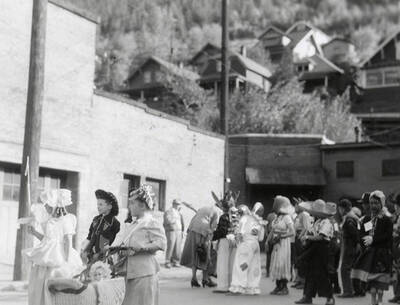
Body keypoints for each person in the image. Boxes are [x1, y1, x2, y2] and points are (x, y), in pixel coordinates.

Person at [23, 189, 84, 305]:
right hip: (47, 256)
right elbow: (47, 240)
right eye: (45, 205)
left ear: (56, 205)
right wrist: (35, 232)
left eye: (47, 205)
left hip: (60, 257)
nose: (45, 208)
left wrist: (67, 261)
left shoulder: (66, 220)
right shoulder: (50, 221)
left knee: (55, 283)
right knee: (41, 285)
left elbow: (68, 241)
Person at [117, 184, 166, 305]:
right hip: (129, 272)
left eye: (132, 203)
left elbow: (161, 243)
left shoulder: (151, 223)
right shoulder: (132, 224)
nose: (129, 206)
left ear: (143, 206)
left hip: (144, 273)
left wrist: (142, 248)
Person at [351, 190, 393, 305]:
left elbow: (388, 236)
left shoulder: (386, 220)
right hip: (370, 254)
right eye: (372, 203)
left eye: (376, 203)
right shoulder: (367, 219)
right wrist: (365, 241)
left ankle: (379, 300)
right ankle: (373, 301)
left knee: (380, 281)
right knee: (372, 282)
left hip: (382, 254)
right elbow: (362, 234)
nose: (373, 206)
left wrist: (373, 240)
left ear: (382, 204)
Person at [295, 199, 336, 305]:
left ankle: (330, 297)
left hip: (322, 249)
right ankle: (307, 296)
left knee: (321, 273)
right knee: (310, 273)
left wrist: (308, 237)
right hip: (314, 248)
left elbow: (321, 237)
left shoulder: (326, 222)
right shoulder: (317, 221)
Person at [180, 202, 220, 288]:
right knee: (206, 254)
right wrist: (209, 239)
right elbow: (213, 227)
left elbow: (195, 215)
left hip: (192, 229)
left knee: (196, 254)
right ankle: (205, 279)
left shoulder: (204, 207)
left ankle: (194, 278)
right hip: (203, 232)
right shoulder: (217, 212)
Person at [228, 202, 264, 295]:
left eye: (238, 213)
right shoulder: (258, 221)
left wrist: (234, 239)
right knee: (253, 266)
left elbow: (240, 234)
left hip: (246, 245)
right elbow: (261, 238)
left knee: (241, 265)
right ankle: (252, 288)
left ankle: (238, 287)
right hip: (255, 245)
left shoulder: (244, 219)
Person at [81, 189, 120, 264]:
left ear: (109, 206)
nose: (98, 207)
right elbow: (90, 237)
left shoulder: (113, 223)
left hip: (102, 257)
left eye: (101, 204)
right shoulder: (96, 220)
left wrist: (98, 254)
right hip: (90, 256)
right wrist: (85, 251)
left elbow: (106, 243)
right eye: (97, 204)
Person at [212, 191, 238, 293]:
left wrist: (213, 235)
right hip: (235, 240)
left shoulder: (224, 216)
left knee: (222, 263)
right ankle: (232, 284)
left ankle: (223, 286)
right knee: (232, 263)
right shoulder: (237, 214)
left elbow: (222, 231)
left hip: (225, 240)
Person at [269, 196, 295, 295]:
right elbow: (272, 230)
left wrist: (282, 236)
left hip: (283, 244)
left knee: (282, 263)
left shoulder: (287, 217)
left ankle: (284, 287)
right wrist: (268, 241)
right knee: (276, 263)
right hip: (276, 244)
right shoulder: (277, 217)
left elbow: (293, 232)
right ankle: (278, 286)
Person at [337, 198, 359, 298]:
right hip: (351, 246)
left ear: (343, 208)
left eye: (339, 209)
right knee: (349, 268)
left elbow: (354, 234)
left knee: (344, 269)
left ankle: (348, 291)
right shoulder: (352, 217)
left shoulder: (349, 219)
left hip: (350, 247)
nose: (339, 211)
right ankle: (353, 290)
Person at [292, 200, 313, 289]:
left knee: (302, 259)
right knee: (297, 259)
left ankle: (303, 281)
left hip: (301, 237)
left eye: (297, 205)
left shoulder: (304, 214)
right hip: (297, 237)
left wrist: (300, 237)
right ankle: (299, 280)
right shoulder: (298, 215)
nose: (295, 207)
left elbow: (306, 227)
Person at [163, 199, 185, 268]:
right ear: (174, 204)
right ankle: (167, 261)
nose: (178, 206)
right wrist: (174, 219)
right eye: (177, 204)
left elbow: (182, 222)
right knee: (171, 245)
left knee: (177, 246)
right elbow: (167, 220)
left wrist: (182, 230)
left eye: (179, 204)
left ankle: (176, 261)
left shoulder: (179, 213)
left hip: (179, 230)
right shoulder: (169, 211)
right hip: (171, 230)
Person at [389, 194, 400, 304]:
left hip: (398, 247)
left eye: (396, 205)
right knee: (396, 272)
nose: (395, 207)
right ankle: (397, 295)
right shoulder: (396, 216)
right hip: (395, 247)